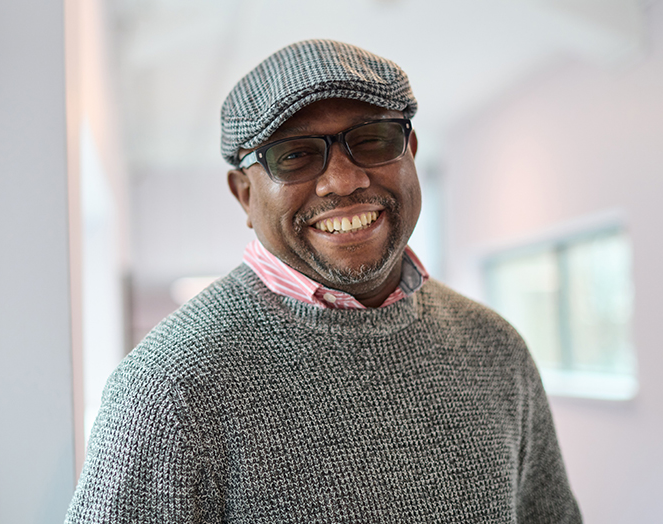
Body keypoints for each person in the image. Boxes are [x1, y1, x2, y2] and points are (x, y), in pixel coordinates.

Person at [66, 39, 581, 523]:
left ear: (411, 152)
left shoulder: (494, 347)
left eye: (373, 140)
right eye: (294, 155)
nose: (345, 180)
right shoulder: (170, 388)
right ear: (244, 194)